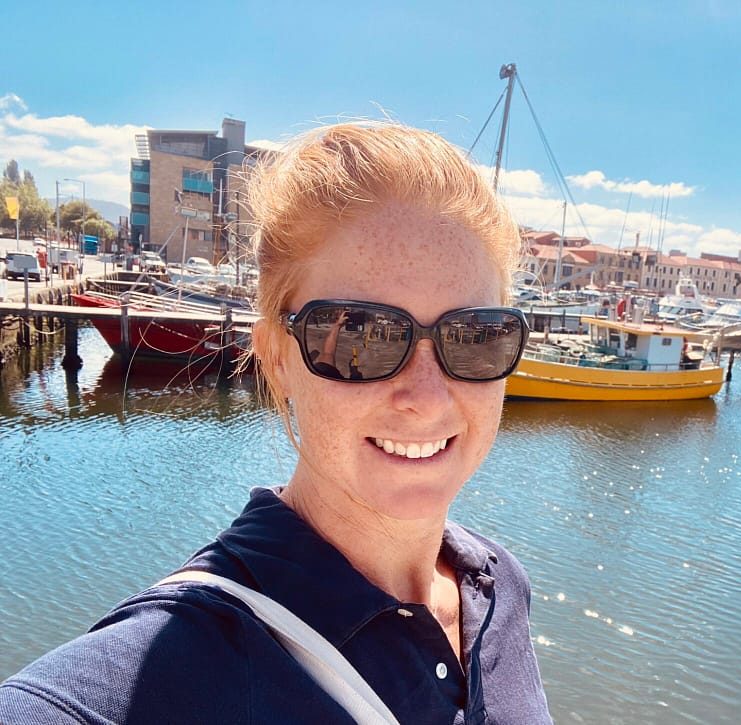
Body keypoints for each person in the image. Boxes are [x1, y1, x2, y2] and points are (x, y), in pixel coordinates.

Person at [0, 122, 549, 724]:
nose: (426, 397)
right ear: (277, 357)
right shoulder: (185, 662)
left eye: (475, 337)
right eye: (360, 333)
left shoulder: (499, 588)